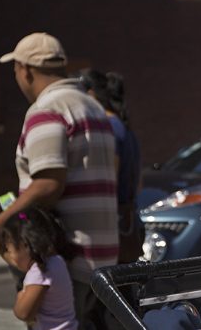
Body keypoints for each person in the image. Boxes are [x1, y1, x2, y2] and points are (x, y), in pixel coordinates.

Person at [0, 32, 118, 327]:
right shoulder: (94, 108)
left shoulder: (46, 110)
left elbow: (48, 184)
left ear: (26, 70)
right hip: (102, 256)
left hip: (67, 260)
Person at [79, 69, 143, 263]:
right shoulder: (123, 126)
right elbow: (139, 184)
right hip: (129, 222)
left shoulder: (108, 127)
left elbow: (109, 181)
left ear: (90, 95)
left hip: (115, 227)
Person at [1, 207, 78, 330]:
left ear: (25, 245)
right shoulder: (57, 261)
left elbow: (23, 313)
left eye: (9, 250)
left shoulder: (40, 272)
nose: (10, 257)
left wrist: (21, 295)